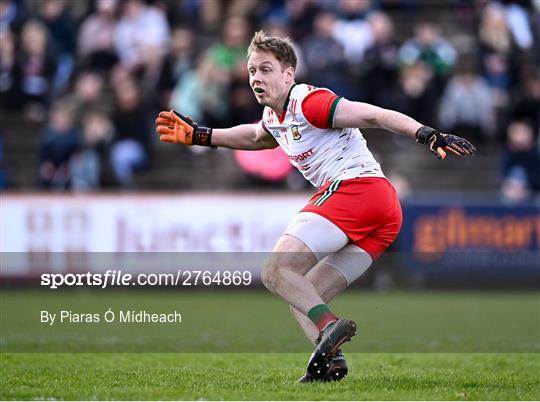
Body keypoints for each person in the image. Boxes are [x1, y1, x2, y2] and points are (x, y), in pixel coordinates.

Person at [155, 31, 476, 383]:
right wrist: (202, 135)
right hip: (383, 214)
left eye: (266, 69)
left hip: (359, 190)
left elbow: (373, 115)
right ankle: (331, 365)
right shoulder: (275, 117)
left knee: (275, 272)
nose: (257, 78)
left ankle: (330, 326)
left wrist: (427, 134)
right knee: (303, 296)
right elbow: (254, 136)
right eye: (251, 71)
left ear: (288, 74)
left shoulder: (308, 102)